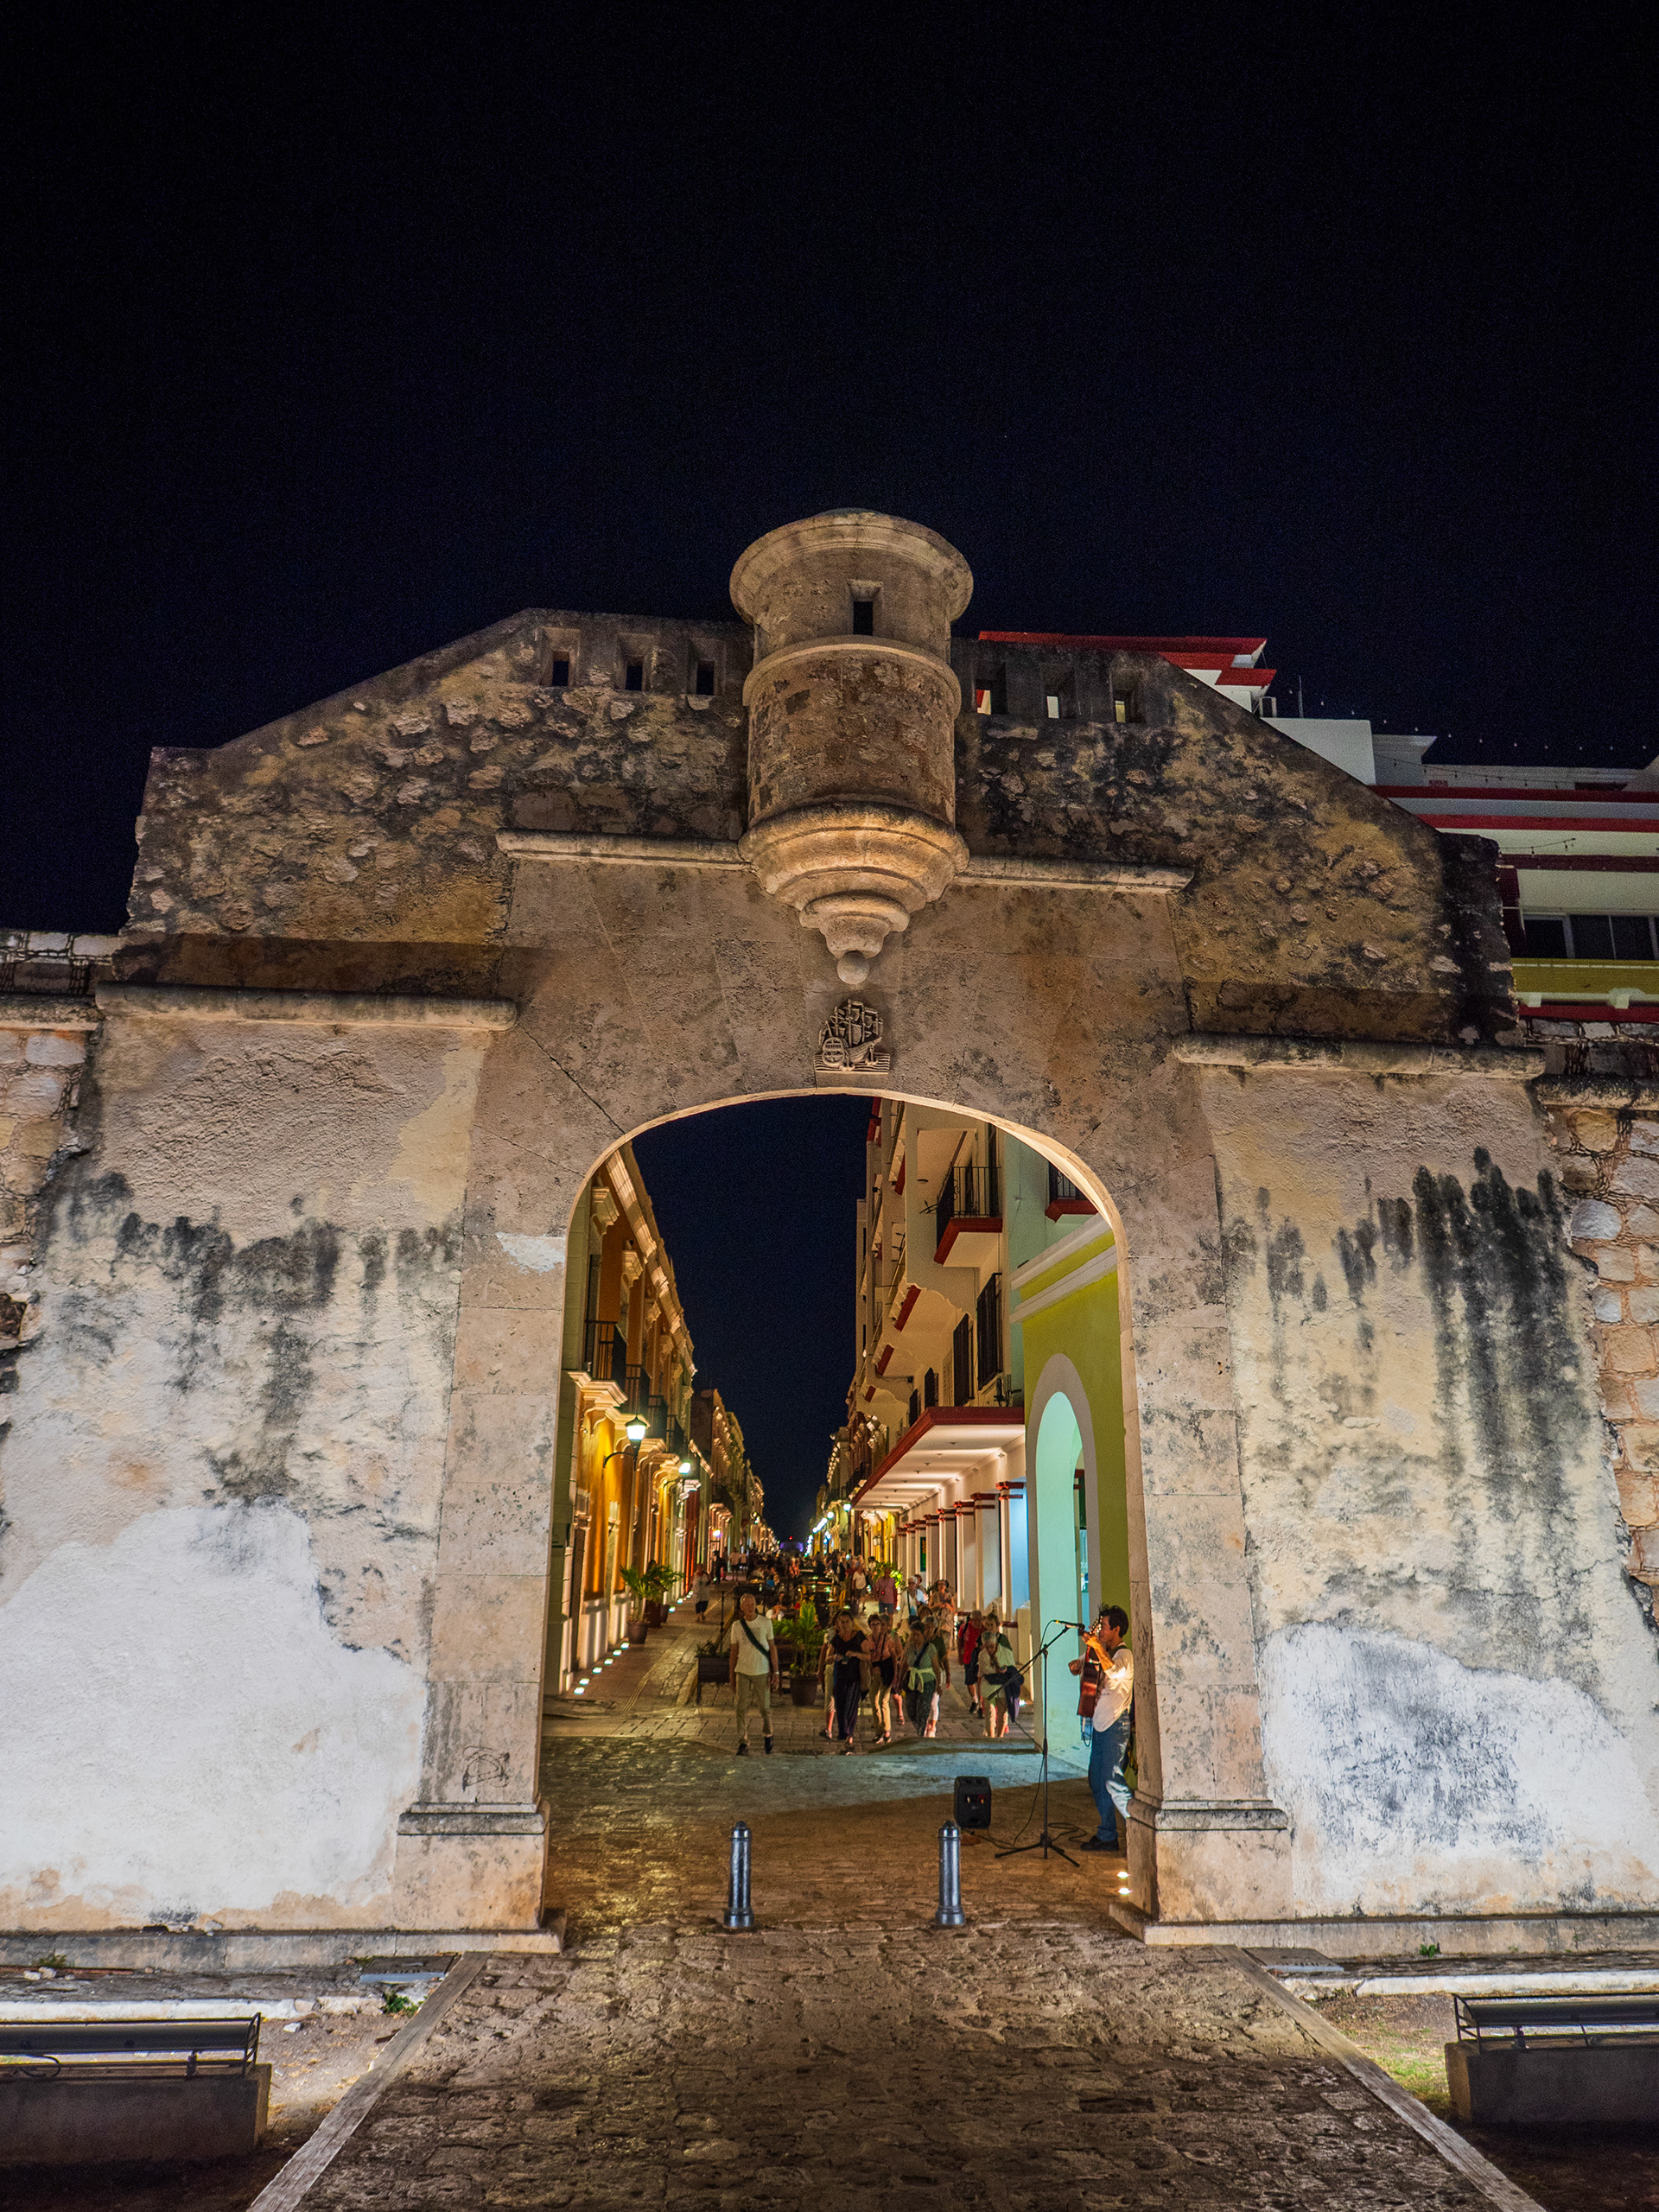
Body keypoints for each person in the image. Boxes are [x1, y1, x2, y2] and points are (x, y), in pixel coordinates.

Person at [1078, 1606, 1133, 1853]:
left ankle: (1138, 1829)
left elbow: (1113, 1670)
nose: (1101, 1631)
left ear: (1117, 1629)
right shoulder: (1103, 1652)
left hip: (1115, 1726)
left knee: (1113, 1781)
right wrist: (1079, 1663)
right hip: (1100, 1725)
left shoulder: (1125, 1655)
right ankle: (1107, 1834)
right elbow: (1086, 1667)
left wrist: (1096, 1647)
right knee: (1097, 1779)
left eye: (1105, 1627)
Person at [728, 1590, 779, 1756]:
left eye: (752, 1604)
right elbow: (734, 1651)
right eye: (747, 1605)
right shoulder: (737, 1626)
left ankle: (768, 1733)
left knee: (764, 1708)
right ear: (741, 1607)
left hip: (761, 1670)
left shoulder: (765, 1623)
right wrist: (731, 1675)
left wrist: (775, 1671)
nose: (750, 1607)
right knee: (740, 1708)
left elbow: (772, 1648)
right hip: (742, 1670)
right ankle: (743, 1742)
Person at [823, 1608, 868, 1754]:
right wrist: (834, 1657)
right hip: (840, 1678)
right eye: (842, 1622)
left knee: (851, 1707)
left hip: (855, 1678)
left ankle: (850, 1738)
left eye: (847, 1622)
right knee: (841, 1707)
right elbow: (827, 1658)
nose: (844, 1625)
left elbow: (868, 1656)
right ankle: (844, 1733)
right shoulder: (836, 1639)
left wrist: (855, 1654)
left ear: (852, 1623)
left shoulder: (859, 1637)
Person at [979, 1612, 1019, 1739]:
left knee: (1002, 1712)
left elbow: (1011, 1665)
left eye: (992, 1646)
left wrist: (1006, 1669)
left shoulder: (1004, 1647)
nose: (990, 1649)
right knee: (990, 1713)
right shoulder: (983, 1654)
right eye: (987, 1647)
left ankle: (1000, 1736)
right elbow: (983, 1670)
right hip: (989, 1686)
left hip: (1003, 1685)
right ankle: (992, 1738)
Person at [863, 1611, 901, 1745]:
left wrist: (895, 1675)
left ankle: (887, 1731)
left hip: (887, 1673)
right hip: (874, 1674)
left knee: (883, 1701)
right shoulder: (868, 1640)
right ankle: (878, 1731)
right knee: (874, 1702)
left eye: (878, 1624)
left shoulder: (888, 1639)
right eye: (873, 1624)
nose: (876, 1627)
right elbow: (867, 1658)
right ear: (870, 1626)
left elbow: (894, 1656)